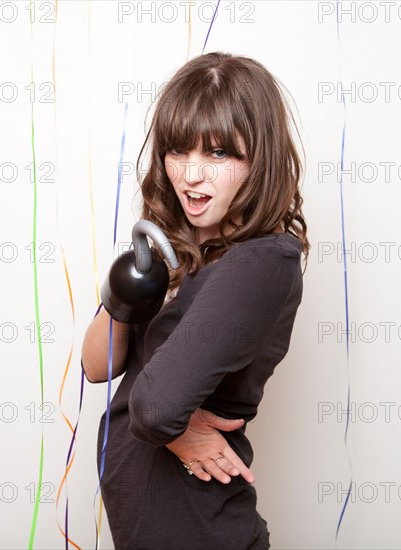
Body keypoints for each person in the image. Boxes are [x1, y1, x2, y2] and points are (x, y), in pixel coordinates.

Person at [81, 51, 309, 550]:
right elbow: (96, 366)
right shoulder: (173, 252)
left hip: (201, 532)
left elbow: (156, 408)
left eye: (219, 154)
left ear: (259, 158)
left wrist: (171, 428)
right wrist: (125, 293)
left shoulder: (263, 262)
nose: (190, 175)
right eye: (178, 151)